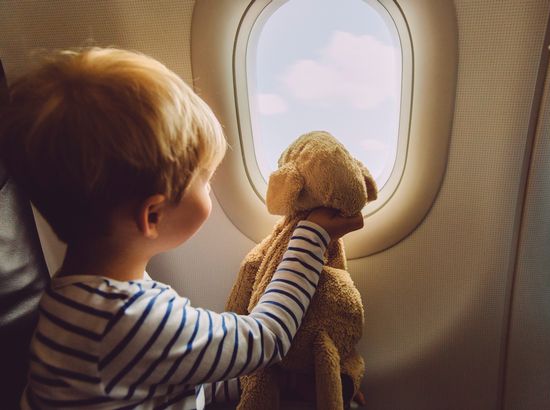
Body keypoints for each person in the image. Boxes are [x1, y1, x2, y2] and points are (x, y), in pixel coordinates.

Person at [0, 48, 364, 409]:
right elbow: (267, 337)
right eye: (203, 180)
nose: (209, 186)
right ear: (153, 216)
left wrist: (267, 385)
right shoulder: (134, 319)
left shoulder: (69, 300)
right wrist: (311, 235)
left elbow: (178, 383)